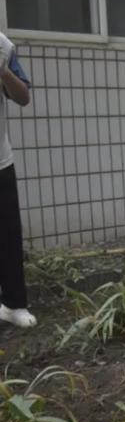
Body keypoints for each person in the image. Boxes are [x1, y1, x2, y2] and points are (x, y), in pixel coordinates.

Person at [0, 30, 35, 329]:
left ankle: (13, 304)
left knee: (8, 235)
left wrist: (2, 71)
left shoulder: (3, 45)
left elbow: (23, 97)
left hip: (1, 160)